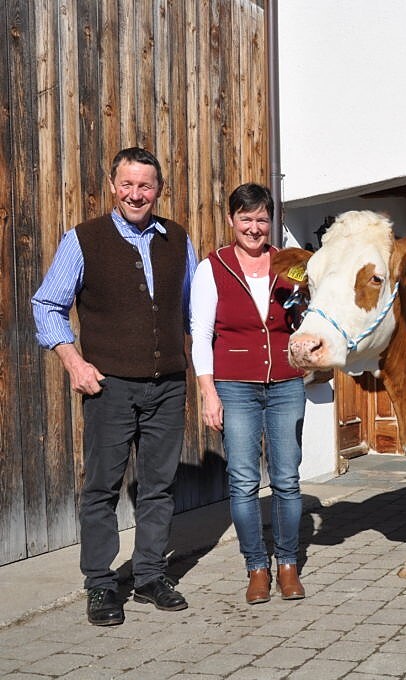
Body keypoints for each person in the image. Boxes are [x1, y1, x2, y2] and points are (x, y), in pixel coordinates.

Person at [31, 147, 198, 626]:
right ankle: (101, 585)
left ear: (159, 189)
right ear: (112, 185)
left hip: (167, 382)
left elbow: (191, 313)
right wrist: (73, 361)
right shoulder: (84, 240)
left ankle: (148, 576)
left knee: (159, 486)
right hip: (110, 385)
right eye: (127, 184)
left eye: (145, 185)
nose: (136, 194)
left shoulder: (178, 239)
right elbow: (47, 305)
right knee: (102, 487)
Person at [190, 183, 308, 604]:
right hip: (234, 384)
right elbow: (201, 334)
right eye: (246, 219)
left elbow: (304, 320)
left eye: (261, 219)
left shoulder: (291, 264)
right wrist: (209, 392)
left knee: (288, 479)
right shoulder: (213, 267)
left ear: (270, 221)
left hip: (286, 383)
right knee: (242, 481)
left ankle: (288, 564)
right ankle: (256, 567)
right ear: (231, 220)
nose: (254, 228)